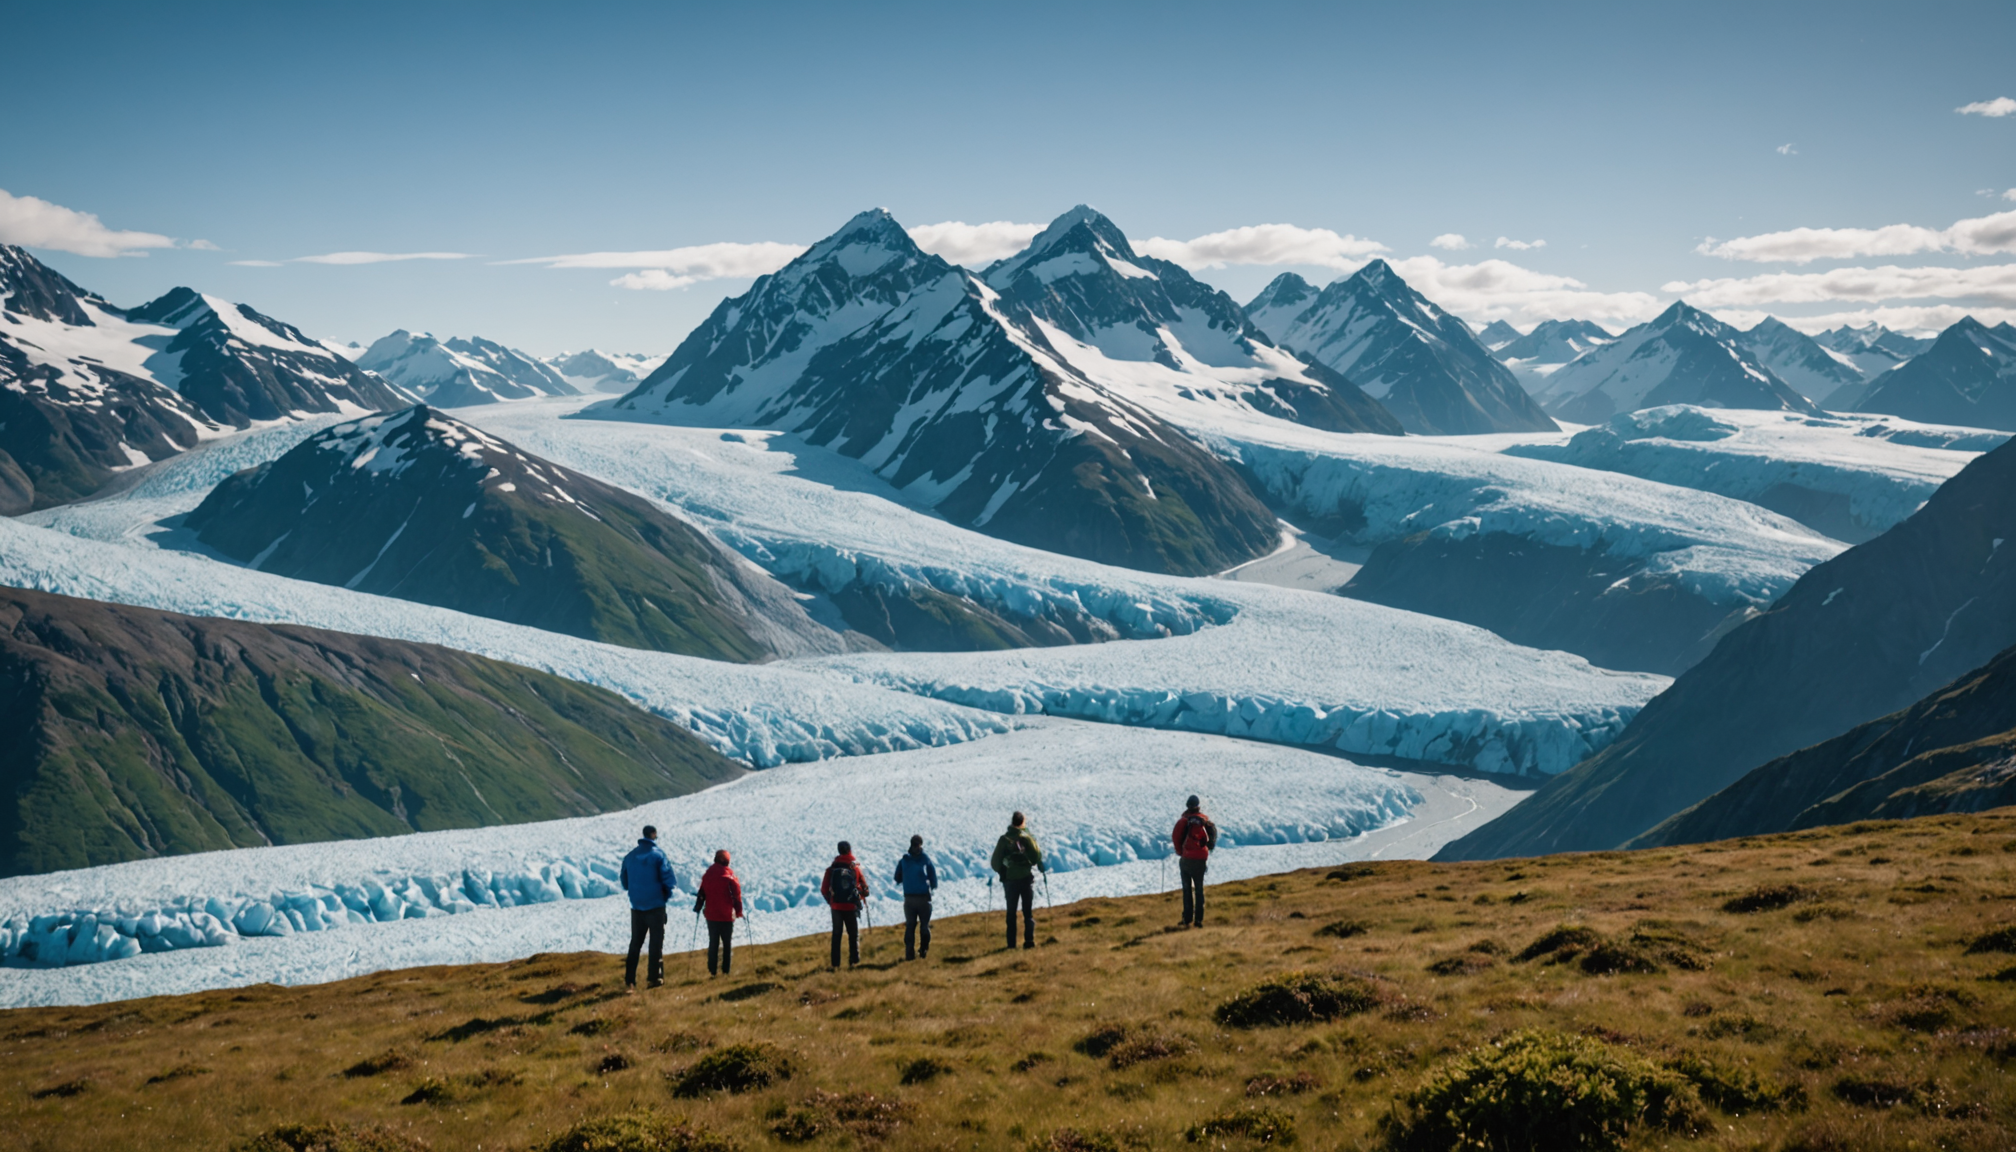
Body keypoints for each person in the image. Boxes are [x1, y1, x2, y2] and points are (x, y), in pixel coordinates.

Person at [619, 824, 676, 991]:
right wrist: (664, 896)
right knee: (655, 942)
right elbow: (669, 880)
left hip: (636, 907)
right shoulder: (658, 856)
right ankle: (654, 978)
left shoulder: (630, 857)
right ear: (653, 835)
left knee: (635, 943)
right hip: (655, 906)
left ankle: (630, 980)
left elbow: (624, 882)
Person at [990, 811, 1046, 950]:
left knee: (1011, 913)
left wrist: (1003, 871)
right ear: (1023, 822)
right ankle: (1029, 941)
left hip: (1010, 881)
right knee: (1027, 912)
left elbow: (994, 862)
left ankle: (1011, 945)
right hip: (1026, 879)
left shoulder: (1004, 839)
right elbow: (1036, 856)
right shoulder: (1027, 837)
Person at [694, 849, 745, 977]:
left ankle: (712, 971)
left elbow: (702, 893)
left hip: (711, 915)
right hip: (726, 916)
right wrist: (739, 912)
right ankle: (725, 971)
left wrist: (698, 907)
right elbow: (736, 896)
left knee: (713, 942)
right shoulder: (730, 876)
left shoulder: (708, 874)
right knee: (726, 943)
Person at [821, 840, 870, 969]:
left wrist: (830, 901)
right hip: (850, 906)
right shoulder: (855, 868)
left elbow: (824, 889)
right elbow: (864, 888)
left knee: (836, 935)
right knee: (853, 934)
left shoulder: (832, 869)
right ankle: (854, 962)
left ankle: (835, 964)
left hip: (836, 906)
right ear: (849, 851)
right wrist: (862, 895)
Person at [1172, 795, 1218, 928]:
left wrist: (1181, 852)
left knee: (1187, 890)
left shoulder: (1184, 821)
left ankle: (1187, 919)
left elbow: (1176, 837)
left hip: (1187, 858)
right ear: (1198, 806)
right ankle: (1199, 920)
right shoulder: (1205, 820)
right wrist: (1207, 849)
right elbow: (1212, 835)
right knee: (1199, 889)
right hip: (1201, 859)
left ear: (1187, 805)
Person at [893, 834, 939, 961]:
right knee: (924, 926)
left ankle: (909, 954)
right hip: (923, 898)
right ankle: (923, 950)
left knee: (910, 926)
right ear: (921, 844)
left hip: (909, 899)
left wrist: (907, 878)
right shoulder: (925, 859)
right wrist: (932, 886)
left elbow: (897, 877)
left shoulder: (904, 860)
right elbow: (933, 877)